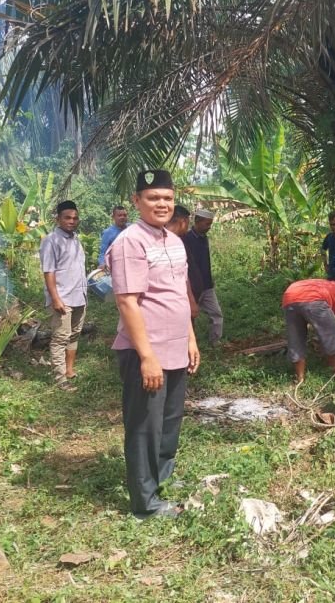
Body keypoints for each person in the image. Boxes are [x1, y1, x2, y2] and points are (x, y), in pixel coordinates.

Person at [106, 169, 201, 520]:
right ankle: (145, 503)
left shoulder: (174, 241)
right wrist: (147, 357)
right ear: (137, 201)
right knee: (145, 425)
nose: (162, 204)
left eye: (167, 198)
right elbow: (127, 302)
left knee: (170, 420)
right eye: (153, 198)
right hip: (146, 350)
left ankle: (162, 478)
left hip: (176, 347)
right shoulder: (130, 242)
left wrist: (190, 338)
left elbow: (178, 295)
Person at [39, 200, 88, 389]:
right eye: (67, 218)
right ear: (58, 219)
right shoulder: (51, 240)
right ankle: (60, 379)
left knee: (74, 335)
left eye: (75, 218)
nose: (72, 221)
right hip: (62, 299)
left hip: (79, 297)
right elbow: (48, 271)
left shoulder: (76, 239)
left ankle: (69, 370)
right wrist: (55, 298)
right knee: (60, 338)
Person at [282, 275, 335, 383]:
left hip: (289, 296)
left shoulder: (324, 284)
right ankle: (334, 368)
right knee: (331, 331)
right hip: (314, 300)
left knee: (296, 338)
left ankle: (300, 377)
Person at [184, 208, 223, 344]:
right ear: (197, 221)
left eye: (210, 224)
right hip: (193, 287)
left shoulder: (204, 238)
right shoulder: (186, 239)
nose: (209, 227)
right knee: (189, 317)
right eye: (207, 224)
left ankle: (215, 342)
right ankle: (190, 344)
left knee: (216, 314)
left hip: (207, 286)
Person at [165, 205, 200, 319]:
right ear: (183, 222)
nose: (188, 227)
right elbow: (182, 276)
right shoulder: (167, 243)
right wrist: (191, 300)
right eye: (188, 223)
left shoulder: (179, 241)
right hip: (177, 301)